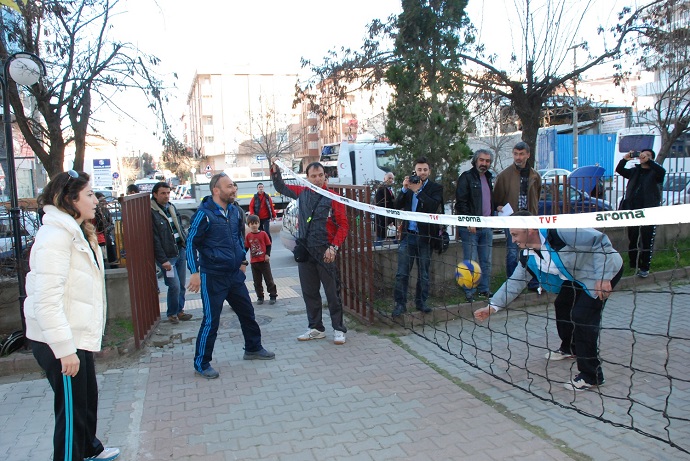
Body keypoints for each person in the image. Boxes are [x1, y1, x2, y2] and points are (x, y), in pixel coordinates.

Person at [24, 170, 120, 461]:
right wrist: (65, 350)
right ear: (70, 199)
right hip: (59, 340)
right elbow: (46, 301)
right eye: (89, 195)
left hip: (76, 335)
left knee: (86, 399)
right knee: (70, 412)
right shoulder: (55, 236)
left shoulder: (76, 230)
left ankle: (89, 449)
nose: (96, 200)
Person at [473, 211, 623, 391]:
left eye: (514, 234)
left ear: (531, 229)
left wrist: (603, 276)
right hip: (576, 276)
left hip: (604, 270)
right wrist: (493, 307)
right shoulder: (527, 255)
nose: (512, 240)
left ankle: (592, 375)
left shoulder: (560, 232)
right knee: (563, 304)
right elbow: (515, 282)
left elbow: (600, 241)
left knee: (582, 316)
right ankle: (570, 348)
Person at [186, 173, 275, 379]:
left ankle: (253, 348)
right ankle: (202, 363)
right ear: (216, 190)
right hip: (213, 276)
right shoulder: (204, 214)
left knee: (247, 312)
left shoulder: (235, 211)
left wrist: (242, 261)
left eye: (234, 185)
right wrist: (194, 272)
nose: (234, 189)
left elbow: (238, 239)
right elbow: (191, 243)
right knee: (211, 321)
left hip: (234, 275)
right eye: (229, 187)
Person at [271, 161, 350, 344]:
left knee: (332, 293)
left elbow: (344, 226)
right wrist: (275, 171)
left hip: (326, 251)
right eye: (313, 176)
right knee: (309, 292)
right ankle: (315, 327)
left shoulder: (334, 198)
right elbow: (280, 186)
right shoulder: (302, 193)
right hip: (305, 251)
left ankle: (338, 328)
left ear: (325, 176)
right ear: (307, 178)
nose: (317, 179)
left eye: (320, 175)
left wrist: (333, 247)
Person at [391, 157, 444, 317]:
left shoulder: (435, 188)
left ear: (429, 171)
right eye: (419, 170)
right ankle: (400, 304)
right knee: (402, 273)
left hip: (425, 237)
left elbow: (432, 206)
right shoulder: (409, 187)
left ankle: (421, 302)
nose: (422, 173)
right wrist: (404, 189)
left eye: (425, 170)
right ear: (415, 171)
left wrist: (418, 191)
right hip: (408, 236)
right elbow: (396, 206)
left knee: (424, 273)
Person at [493, 141, 541, 288]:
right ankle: (513, 284)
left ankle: (533, 282)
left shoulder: (535, 176)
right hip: (512, 221)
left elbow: (536, 197)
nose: (518, 157)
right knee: (513, 252)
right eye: (515, 154)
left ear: (528, 155)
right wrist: (499, 207)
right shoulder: (504, 176)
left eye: (521, 154)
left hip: (529, 220)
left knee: (533, 251)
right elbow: (497, 199)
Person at [615, 149, 666, 277]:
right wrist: (625, 159)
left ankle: (645, 267)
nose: (644, 157)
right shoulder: (635, 171)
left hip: (649, 210)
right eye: (643, 154)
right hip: (632, 210)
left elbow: (662, 172)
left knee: (646, 239)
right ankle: (633, 264)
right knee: (633, 238)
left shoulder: (655, 173)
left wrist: (650, 162)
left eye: (648, 155)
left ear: (652, 159)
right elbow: (620, 170)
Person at [455, 149, 495, 302]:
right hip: (470, 227)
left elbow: (488, 200)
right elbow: (461, 203)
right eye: (482, 160)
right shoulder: (466, 178)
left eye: (487, 161)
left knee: (486, 260)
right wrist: (469, 221)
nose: (484, 163)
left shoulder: (489, 178)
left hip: (487, 226)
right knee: (470, 261)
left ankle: (484, 289)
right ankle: (469, 290)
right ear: (475, 161)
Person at [151, 181, 192, 324]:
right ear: (155, 194)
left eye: (168, 193)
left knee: (181, 284)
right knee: (173, 285)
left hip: (179, 250)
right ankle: (172, 313)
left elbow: (179, 227)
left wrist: (186, 243)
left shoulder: (171, 207)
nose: (166, 196)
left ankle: (179, 311)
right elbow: (154, 239)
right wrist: (163, 260)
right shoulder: (152, 212)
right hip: (167, 256)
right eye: (163, 193)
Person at [245, 214, 278, 305]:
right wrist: (241, 256)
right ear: (249, 225)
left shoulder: (263, 234)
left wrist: (267, 255)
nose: (254, 225)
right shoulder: (248, 236)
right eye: (252, 224)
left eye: (256, 223)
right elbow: (246, 248)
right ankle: (260, 297)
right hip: (254, 262)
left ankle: (273, 295)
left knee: (269, 279)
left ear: (259, 224)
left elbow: (268, 245)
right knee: (257, 281)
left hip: (264, 261)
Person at [374, 172, 396, 243]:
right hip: (383, 218)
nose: (391, 180)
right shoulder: (381, 190)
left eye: (392, 178)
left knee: (393, 236)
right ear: (384, 179)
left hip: (389, 217)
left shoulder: (388, 189)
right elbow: (381, 206)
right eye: (389, 178)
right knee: (380, 237)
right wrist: (389, 220)